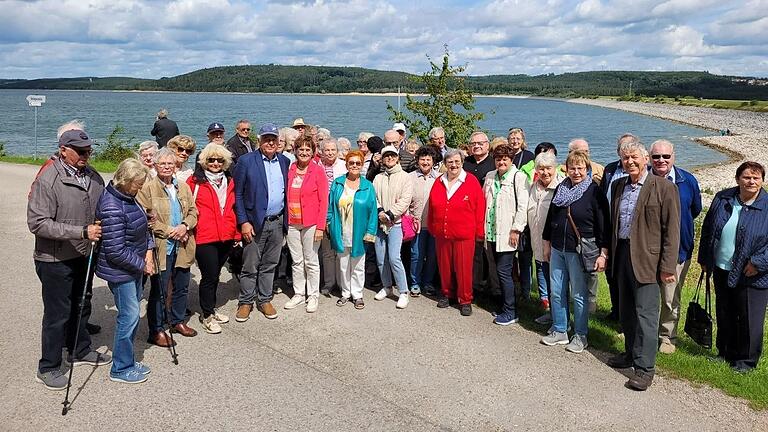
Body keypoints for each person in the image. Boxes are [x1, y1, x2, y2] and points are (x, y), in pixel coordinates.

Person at [28, 127, 111, 391]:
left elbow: (105, 204)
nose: (86, 154)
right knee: (57, 314)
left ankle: (79, 349)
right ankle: (49, 366)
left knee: (82, 304)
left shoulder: (93, 175)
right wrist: (81, 231)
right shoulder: (48, 179)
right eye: (80, 151)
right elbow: (38, 223)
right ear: (64, 150)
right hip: (54, 258)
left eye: (89, 150)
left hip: (84, 254)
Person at [606, 140, 680, 391]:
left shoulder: (663, 187)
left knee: (646, 316)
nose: (630, 162)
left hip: (649, 260)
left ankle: (645, 369)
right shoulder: (618, 186)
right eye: (625, 158)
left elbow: (672, 230)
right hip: (622, 255)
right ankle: (629, 353)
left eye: (635, 158)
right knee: (626, 311)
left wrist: (668, 266)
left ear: (645, 158)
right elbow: (613, 225)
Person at [699, 161, 768, 373]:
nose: (751, 181)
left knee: (749, 318)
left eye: (756, 178)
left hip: (753, 273)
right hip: (722, 267)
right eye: (747, 177)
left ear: (762, 181)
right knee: (725, 312)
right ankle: (725, 352)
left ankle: (746, 362)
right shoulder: (723, 198)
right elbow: (708, 227)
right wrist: (705, 259)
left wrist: (759, 262)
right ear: (737, 179)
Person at [541, 150, 609, 353]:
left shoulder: (594, 192)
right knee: (556, 291)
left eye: (580, 168)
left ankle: (580, 335)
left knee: (579, 295)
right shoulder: (562, 187)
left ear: (587, 169)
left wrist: (603, 253)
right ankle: (560, 329)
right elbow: (551, 217)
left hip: (579, 250)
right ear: (567, 169)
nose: (577, 172)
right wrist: (546, 242)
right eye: (573, 168)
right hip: (558, 248)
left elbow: (603, 224)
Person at [95, 158, 153, 384]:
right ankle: (120, 368)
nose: (140, 188)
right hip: (122, 271)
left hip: (132, 267)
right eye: (138, 184)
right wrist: (143, 265)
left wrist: (145, 222)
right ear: (125, 180)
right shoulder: (112, 206)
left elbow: (135, 227)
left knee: (130, 314)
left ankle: (126, 359)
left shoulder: (127, 197)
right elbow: (115, 250)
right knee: (128, 317)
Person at [137, 147, 199, 345]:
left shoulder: (183, 187)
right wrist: (172, 231)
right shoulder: (147, 189)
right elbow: (146, 220)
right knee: (160, 290)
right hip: (162, 246)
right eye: (162, 163)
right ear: (155, 166)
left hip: (183, 244)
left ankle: (177, 320)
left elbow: (193, 211)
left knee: (182, 285)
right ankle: (156, 330)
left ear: (175, 166)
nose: (166, 167)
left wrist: (185, 225)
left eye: (170, 163)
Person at [649, 139, 702, 354]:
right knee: (646, 294)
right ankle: (643, 330)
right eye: (656, 156)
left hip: (679, 250)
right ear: (649, 158)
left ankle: (667, 337)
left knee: (671, 297)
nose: (661, 160)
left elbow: (695, 210)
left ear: (674, 157)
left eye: (665, 156)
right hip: (648, 250)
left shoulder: (687, 180)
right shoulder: (644, 179)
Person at [233, 123, 291, 322]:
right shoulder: (246, 161)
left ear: (278, 142)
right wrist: (243, 221)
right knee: (250, 264)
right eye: (266, 139)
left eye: (273, 139)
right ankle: (246, 301)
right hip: (254, 222)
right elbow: (238, 194)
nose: (270, 142)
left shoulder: (284, 161)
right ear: (259, 141)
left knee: (270, 264)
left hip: (277, 221)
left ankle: (265, 299)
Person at [187, 143, 239, 334]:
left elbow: (233, 207)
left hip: (226, 235)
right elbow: (188, 209)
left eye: (219, 160)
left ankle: (211, 308)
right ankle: (207, 314)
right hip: (205, 237)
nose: (215, 163)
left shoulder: (229, 180)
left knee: (216, 274)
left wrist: (236, 233)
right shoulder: (195, 182)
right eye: (211, 160)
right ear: (204, 161)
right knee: (209, 276)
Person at [428, 149, 486, 316]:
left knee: (463, 268)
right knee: (445, 267)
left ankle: (465, 299)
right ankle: (447, 293)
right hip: (442, 233)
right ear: (445, 164)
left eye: (456, 162)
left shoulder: (471, 181)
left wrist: (479, 232)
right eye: (450, 162)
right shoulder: (439, 181)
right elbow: (432, 206)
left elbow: (479, 208)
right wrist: (433, 227)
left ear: (462, 163)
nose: (453, 165)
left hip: (464, 234)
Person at [483, 145, 529, 325]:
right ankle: (504, 306)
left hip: (508, 233)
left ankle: (511, 311)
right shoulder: (490, 176)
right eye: (498, 159)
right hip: (491, 231)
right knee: (497, 271)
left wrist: (516, 229)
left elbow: (523, 206)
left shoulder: (519, 177)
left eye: (505, 159)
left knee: (504, 272)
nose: (501, 162)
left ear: (511, 160)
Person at [283, 135, 329, 313]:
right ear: (295, 151)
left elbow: (323, 200)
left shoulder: (317, 171)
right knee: (296, 260)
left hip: (310, 223)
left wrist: (320, 226)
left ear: (312, 152)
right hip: (292, 223)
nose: (303, 152)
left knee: (311, 261)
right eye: (300, 149)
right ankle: (299, 294)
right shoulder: (291, 168)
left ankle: (313, 295)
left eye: (307, 150)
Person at [328, 150, 379, 309]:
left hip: (359, 232)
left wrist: (371, 231)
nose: (355, 166)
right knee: (343, 265)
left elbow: (373, 211)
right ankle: (345, 293)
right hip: (341, 230)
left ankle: (357, 294)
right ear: (346, 164)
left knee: (358, 265)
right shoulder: (337, 183)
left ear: (362, 165)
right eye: (352, 163)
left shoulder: (367, 186)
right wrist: (329, 223)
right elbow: (330, 207)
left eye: (358, 163)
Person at [600, 133, 638, 321]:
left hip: (631, 234)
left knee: (629, 278)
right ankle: (617, 310)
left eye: (631, 151)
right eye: (623, 151)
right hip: (610, 227)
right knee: (611, 274)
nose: (628, 157)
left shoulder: (642, 173)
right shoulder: (609, 169)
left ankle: (628, 316)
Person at [372, 145, 414, 309]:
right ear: (382, 159)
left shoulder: (405, 177)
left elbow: (405, 200)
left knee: (394, 258)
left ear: (397, 158)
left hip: (395, 223)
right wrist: (381, 211)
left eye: (392, 156)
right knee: (381, 258)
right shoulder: (378, 178)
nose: (389, 158)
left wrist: (390, 214)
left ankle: (403, 292)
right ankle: (387, 286)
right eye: (386, 156)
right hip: (380, 223)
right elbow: (374, 197)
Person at [527, 152, 565, 318]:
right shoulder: (533, 187)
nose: (545, 172)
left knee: (557, 284)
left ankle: (560, 319)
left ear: (555, 168)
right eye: (541, 169)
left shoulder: (562, 186)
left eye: (548, 168)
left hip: (554, 244)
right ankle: (550, 312)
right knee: (544, 277)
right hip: (537, 242)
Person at [464, 131, 499, 297]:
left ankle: (489, 288)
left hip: (486, 214)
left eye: (480, 143)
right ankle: (472, 285)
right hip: (465, 214)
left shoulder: (494, 164)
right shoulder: (465, 163)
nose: (476, 146)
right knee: (471, 253)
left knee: (486, 254)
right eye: (473, 144)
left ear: (488, 145)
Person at [318, 138, 348, 296]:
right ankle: (329, 282)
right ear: (321, 152)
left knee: (341, 249)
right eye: (326, 150)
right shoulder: (317, 167)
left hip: (341, 211)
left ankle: (343, 283)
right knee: (327, 251)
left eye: (332, 150)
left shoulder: (344, 166)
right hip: (322, 212)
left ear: (338, 151)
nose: (329, 153)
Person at [409, 146, 439, 297]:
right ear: (417, 160)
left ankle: (428, 282)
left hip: (434, 224)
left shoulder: (440, 177)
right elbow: (405, 199)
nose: (425, 162)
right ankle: (415, 282)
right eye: (422, 159)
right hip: (416, 223)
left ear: (433, 161)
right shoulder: (410, 177)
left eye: (428, 159)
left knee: (433, 255)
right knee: (416, 254)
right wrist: (410, 217)